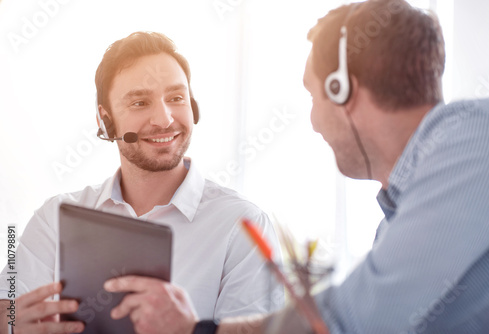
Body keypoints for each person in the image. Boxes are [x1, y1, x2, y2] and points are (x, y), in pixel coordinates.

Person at [115, 0, 489, 333]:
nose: (314, 122)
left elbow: (353, 319)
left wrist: (197, 330)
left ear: (342, 89)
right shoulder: (395, 223)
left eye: (313, 95)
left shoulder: (479, 134)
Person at [0, 32, 284, 334]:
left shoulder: (245, 226)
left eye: (176, 98)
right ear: (105, 121)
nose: (164, 120)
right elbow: (8, 309)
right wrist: (10, 323)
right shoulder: (54, 217)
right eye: (139, 102)